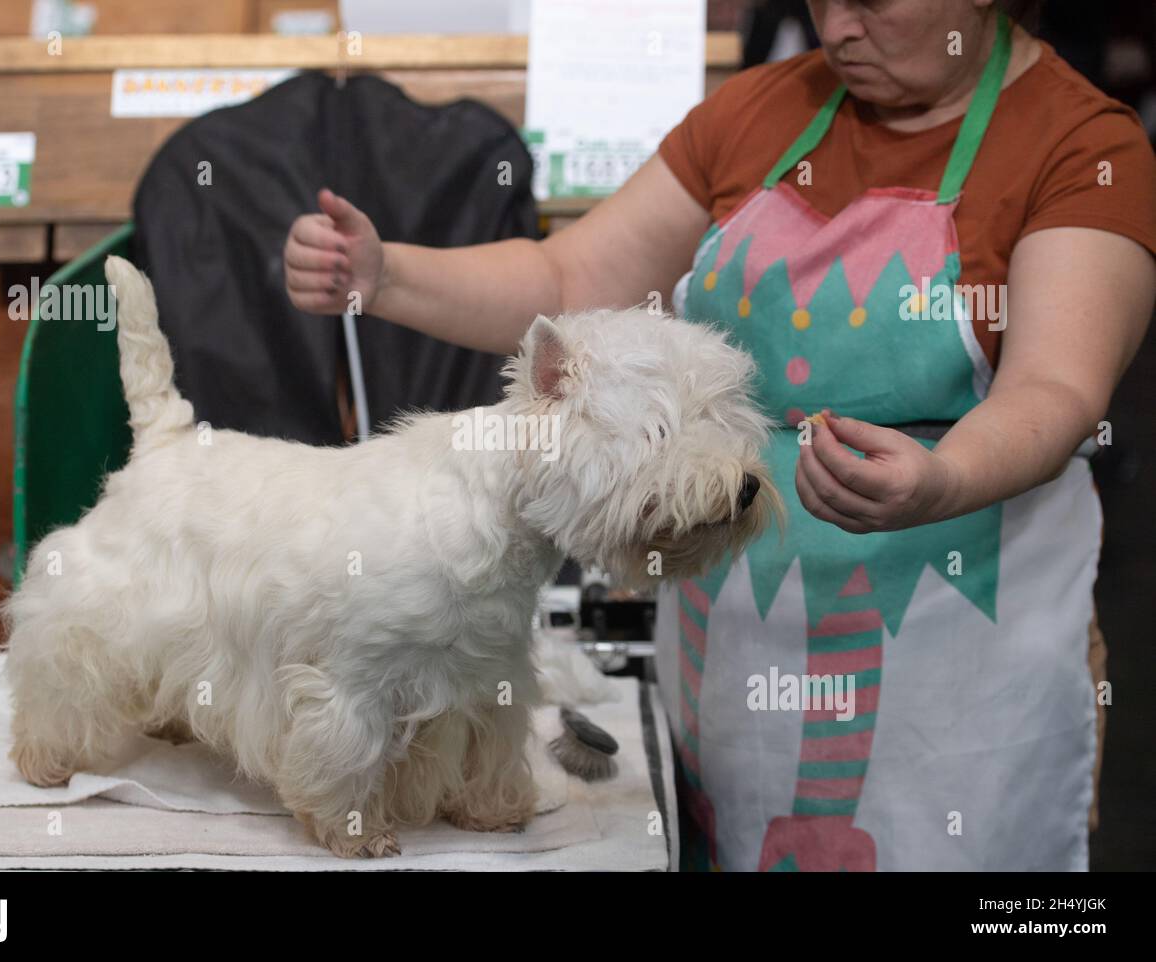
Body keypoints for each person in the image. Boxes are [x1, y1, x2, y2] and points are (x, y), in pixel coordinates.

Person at [284, 0, 1156, 870]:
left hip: (956, 672)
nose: (836, 30)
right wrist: (386, 273)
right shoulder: (758, 112)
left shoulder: (1083, 145)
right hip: (736, 650)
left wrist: (946, 477)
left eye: (871, 2)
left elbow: (1056, 384)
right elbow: (572, 276)